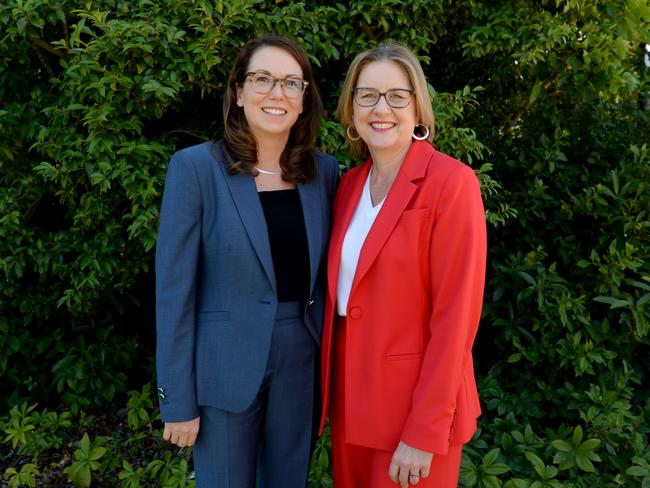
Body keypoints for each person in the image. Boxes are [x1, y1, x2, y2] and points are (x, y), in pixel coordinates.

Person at [155, 35, 338, 488]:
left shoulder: (324, 173)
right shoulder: (195, 169)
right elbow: (174, 293)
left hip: (300, 361)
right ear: (238, 93)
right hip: (222, 370)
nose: (277, 93)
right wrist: (177, 400)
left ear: (303, 100)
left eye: (291, 83)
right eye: (263, 79)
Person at [319, 42, 487, 487]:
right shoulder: (349, 185)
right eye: (367, 94)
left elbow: (456, 319)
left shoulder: (452, 183)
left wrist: (424, 429)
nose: (381, 107)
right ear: (351, 107)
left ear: (418, 108)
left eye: (397, 95)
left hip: (414, 416)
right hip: (352, 407)